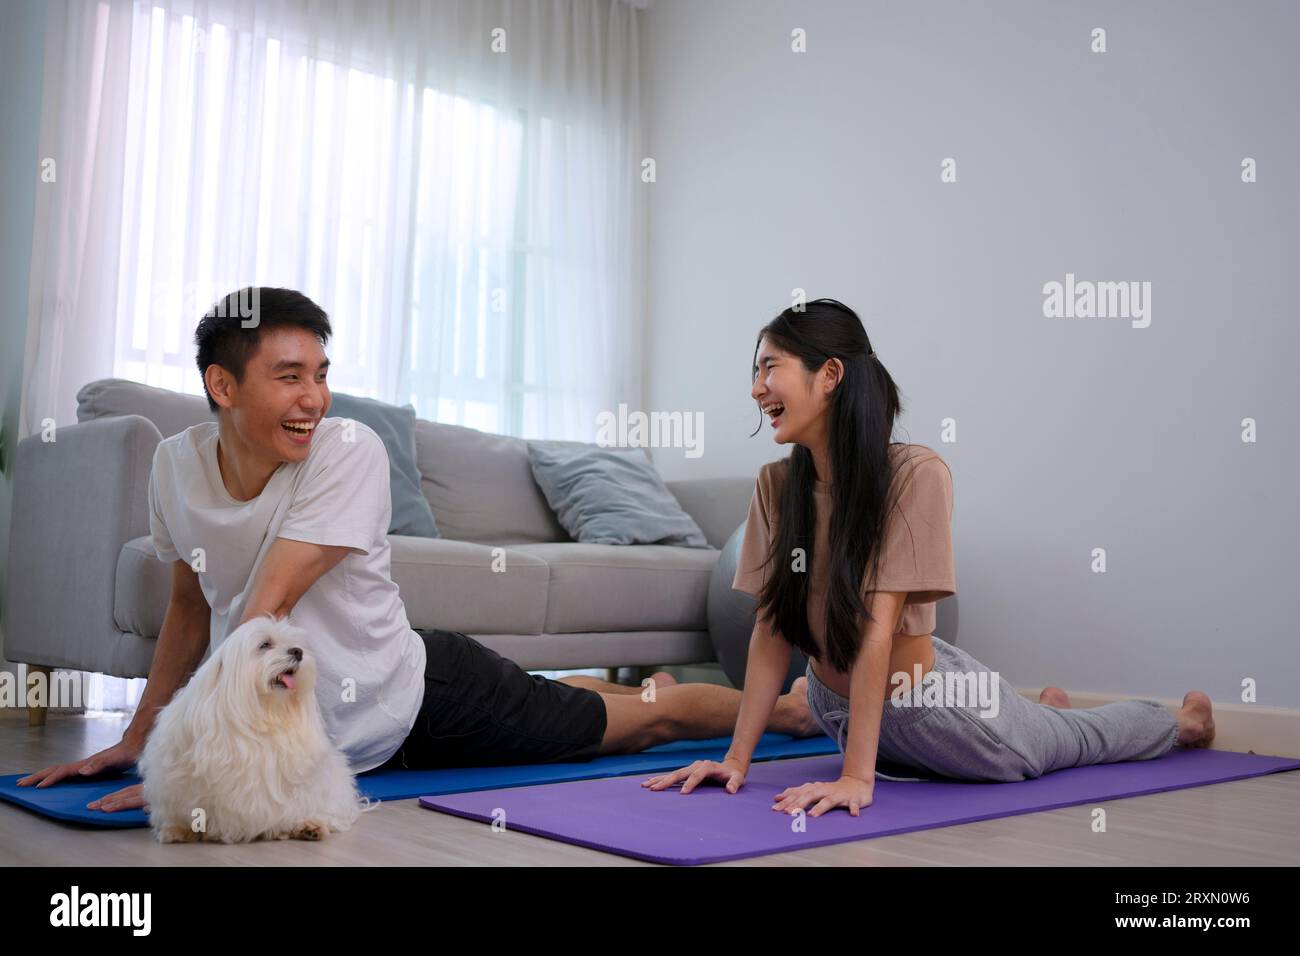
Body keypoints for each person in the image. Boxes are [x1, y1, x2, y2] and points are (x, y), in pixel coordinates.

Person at [18, 287, 817, 813]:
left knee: (641, 723)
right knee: (584, 707)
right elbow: (189, 609)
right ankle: (623, 692)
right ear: (222, 387)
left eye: (321, 375)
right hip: (350, 727)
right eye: (289, 377)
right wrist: (138, 737)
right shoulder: (174, 464)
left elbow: (266, 610)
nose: (313, 399)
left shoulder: (345, 450)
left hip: (419, 704)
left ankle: (787, 710)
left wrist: (184, 767)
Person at [644, 298, 1215, 817]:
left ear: (830, 375)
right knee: (1048, 728)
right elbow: (772, 630)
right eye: (755, 371)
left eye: (770, 367)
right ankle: (1046, 715)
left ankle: (1183, 723)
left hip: (935, 708)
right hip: (833, 704)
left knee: (1079, 743)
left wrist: (856, 778)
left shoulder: (914, 474)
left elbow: (874, 633)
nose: (756, 388)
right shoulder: (776, 486)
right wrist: (736, 761)